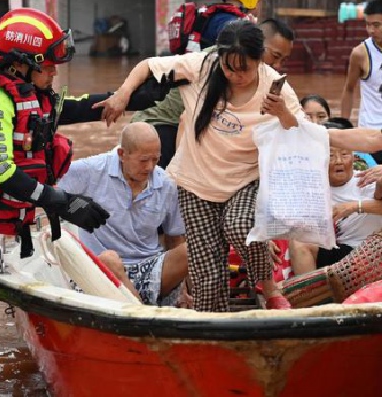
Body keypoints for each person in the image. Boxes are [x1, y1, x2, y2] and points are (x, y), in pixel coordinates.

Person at [0, 7, 179, 396]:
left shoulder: (27, 92)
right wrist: (62, 201)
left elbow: (73, 108)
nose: (55, 73)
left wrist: (133, 98)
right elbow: (1, 171)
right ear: (21, 65)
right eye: (49, 65)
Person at [97, 20, 303, 312]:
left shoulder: (275, 87)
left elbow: (302, 133)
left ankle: (270, 289)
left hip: (246, 180)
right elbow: (147, 65)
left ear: (260, 60)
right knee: (207, 279)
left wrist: (281, 112)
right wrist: (122, 95)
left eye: (243, 68)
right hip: (196, 184)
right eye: (228, 67)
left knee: (240, 225)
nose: (234, 75)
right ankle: (215, 332)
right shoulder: (203, 66)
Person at [133, 17, 294, 169]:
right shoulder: (214, 62)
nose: (278, 65)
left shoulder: (263, 78)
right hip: (162, 122)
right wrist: (121, 96)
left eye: (284, 60)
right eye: (275, 56)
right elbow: (149, 66)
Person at [57, 122, 188, 306]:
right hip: (102, 273)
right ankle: (143, 313)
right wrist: (73, 208)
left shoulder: (166, 184)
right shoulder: (91, 170)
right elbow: (49, 189)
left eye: (155, 159)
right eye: (143, 160)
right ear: (122, 154)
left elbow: (175, 240)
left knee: (191, 250)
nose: (150, 167)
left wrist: (183, 289)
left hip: (150, 270)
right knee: (109, 259)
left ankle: (141, 308)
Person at [290, 120, 382, 274]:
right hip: (346, 256)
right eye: (331, 155)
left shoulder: (370, 178)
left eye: (345, 154)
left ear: (354, 157)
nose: (339, 161)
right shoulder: (311, 191)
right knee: (298, 242)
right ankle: (306, 294)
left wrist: (354, 206)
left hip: (376, 250)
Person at [340, 0, 382, 163]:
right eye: (367, 24)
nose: (371, 30)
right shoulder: (360, 53)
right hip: (369, 135)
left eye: (376, 25)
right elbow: (349, 89)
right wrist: (343, 128)